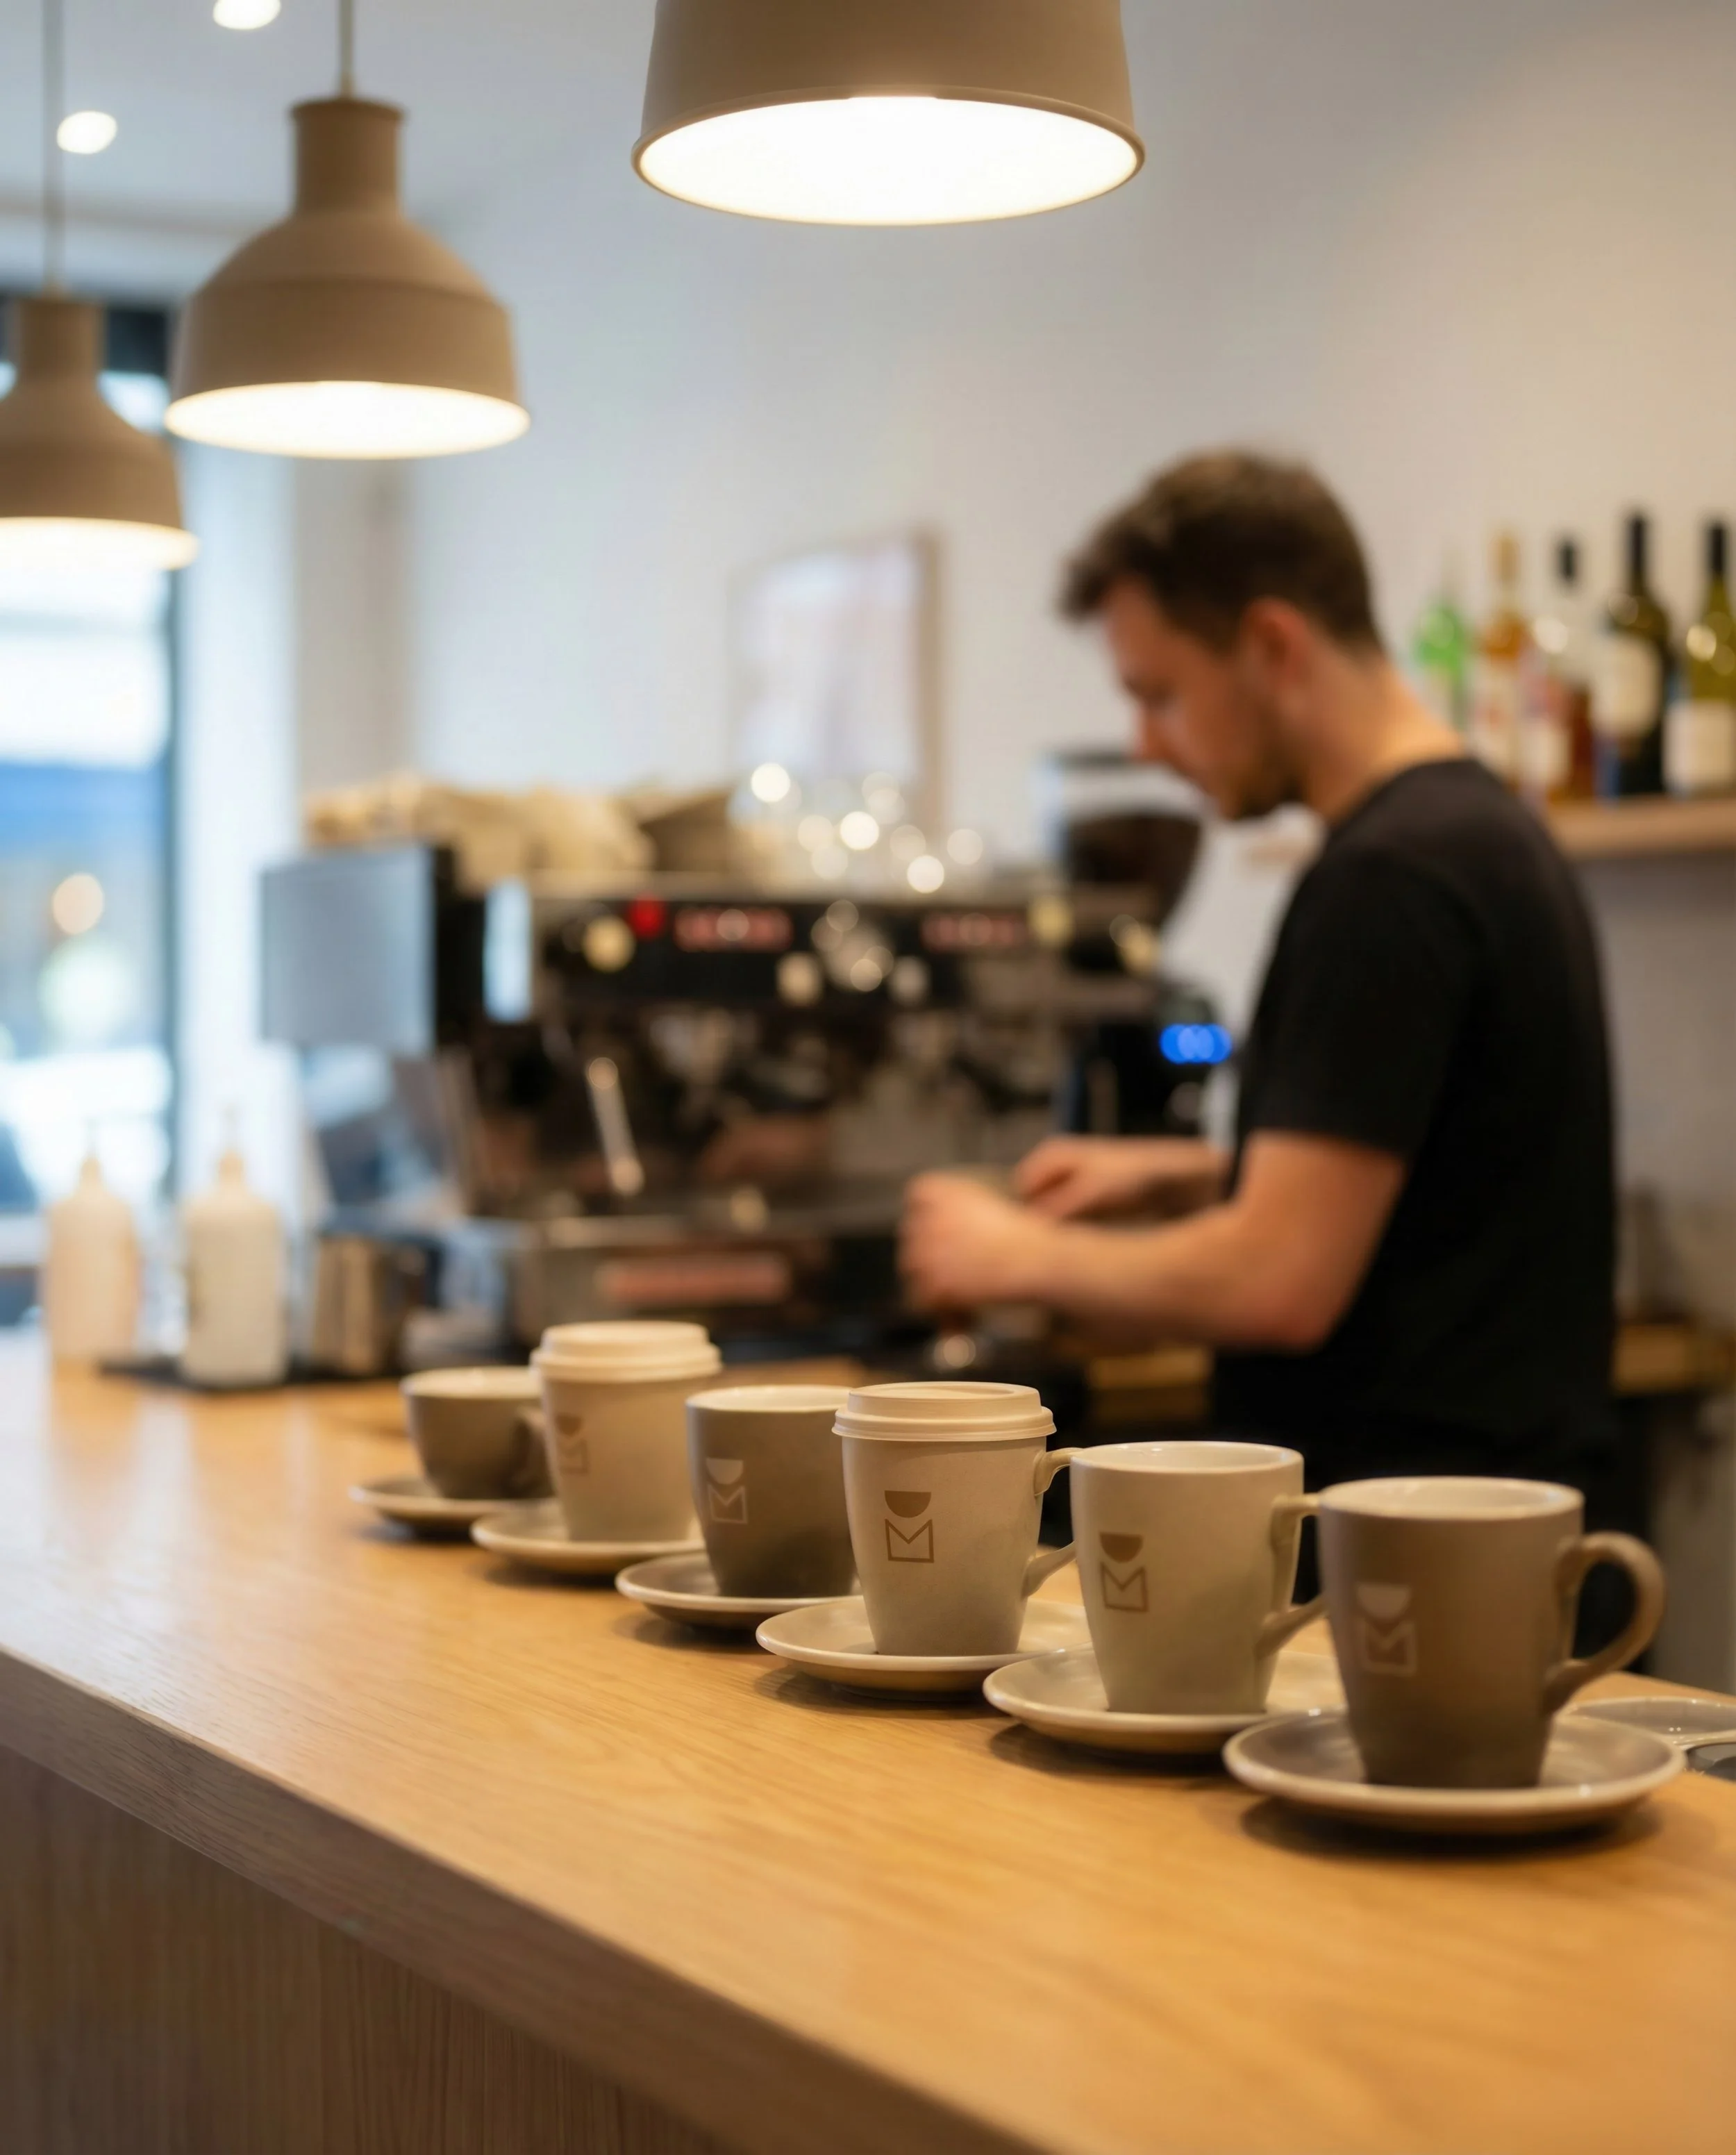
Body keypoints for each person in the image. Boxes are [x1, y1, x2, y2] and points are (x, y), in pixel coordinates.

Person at [901, 451, 1619, 1510]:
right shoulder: (1479, 832)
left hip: (1415, 1563)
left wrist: (1007, 1253)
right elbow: (1438, 1176)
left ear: (1273, 644)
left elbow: (1278, 1282)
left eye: (1161, 695)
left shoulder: (1391, 877)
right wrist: (1189, 1174)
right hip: (1490, 1536)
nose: (1149, 744)